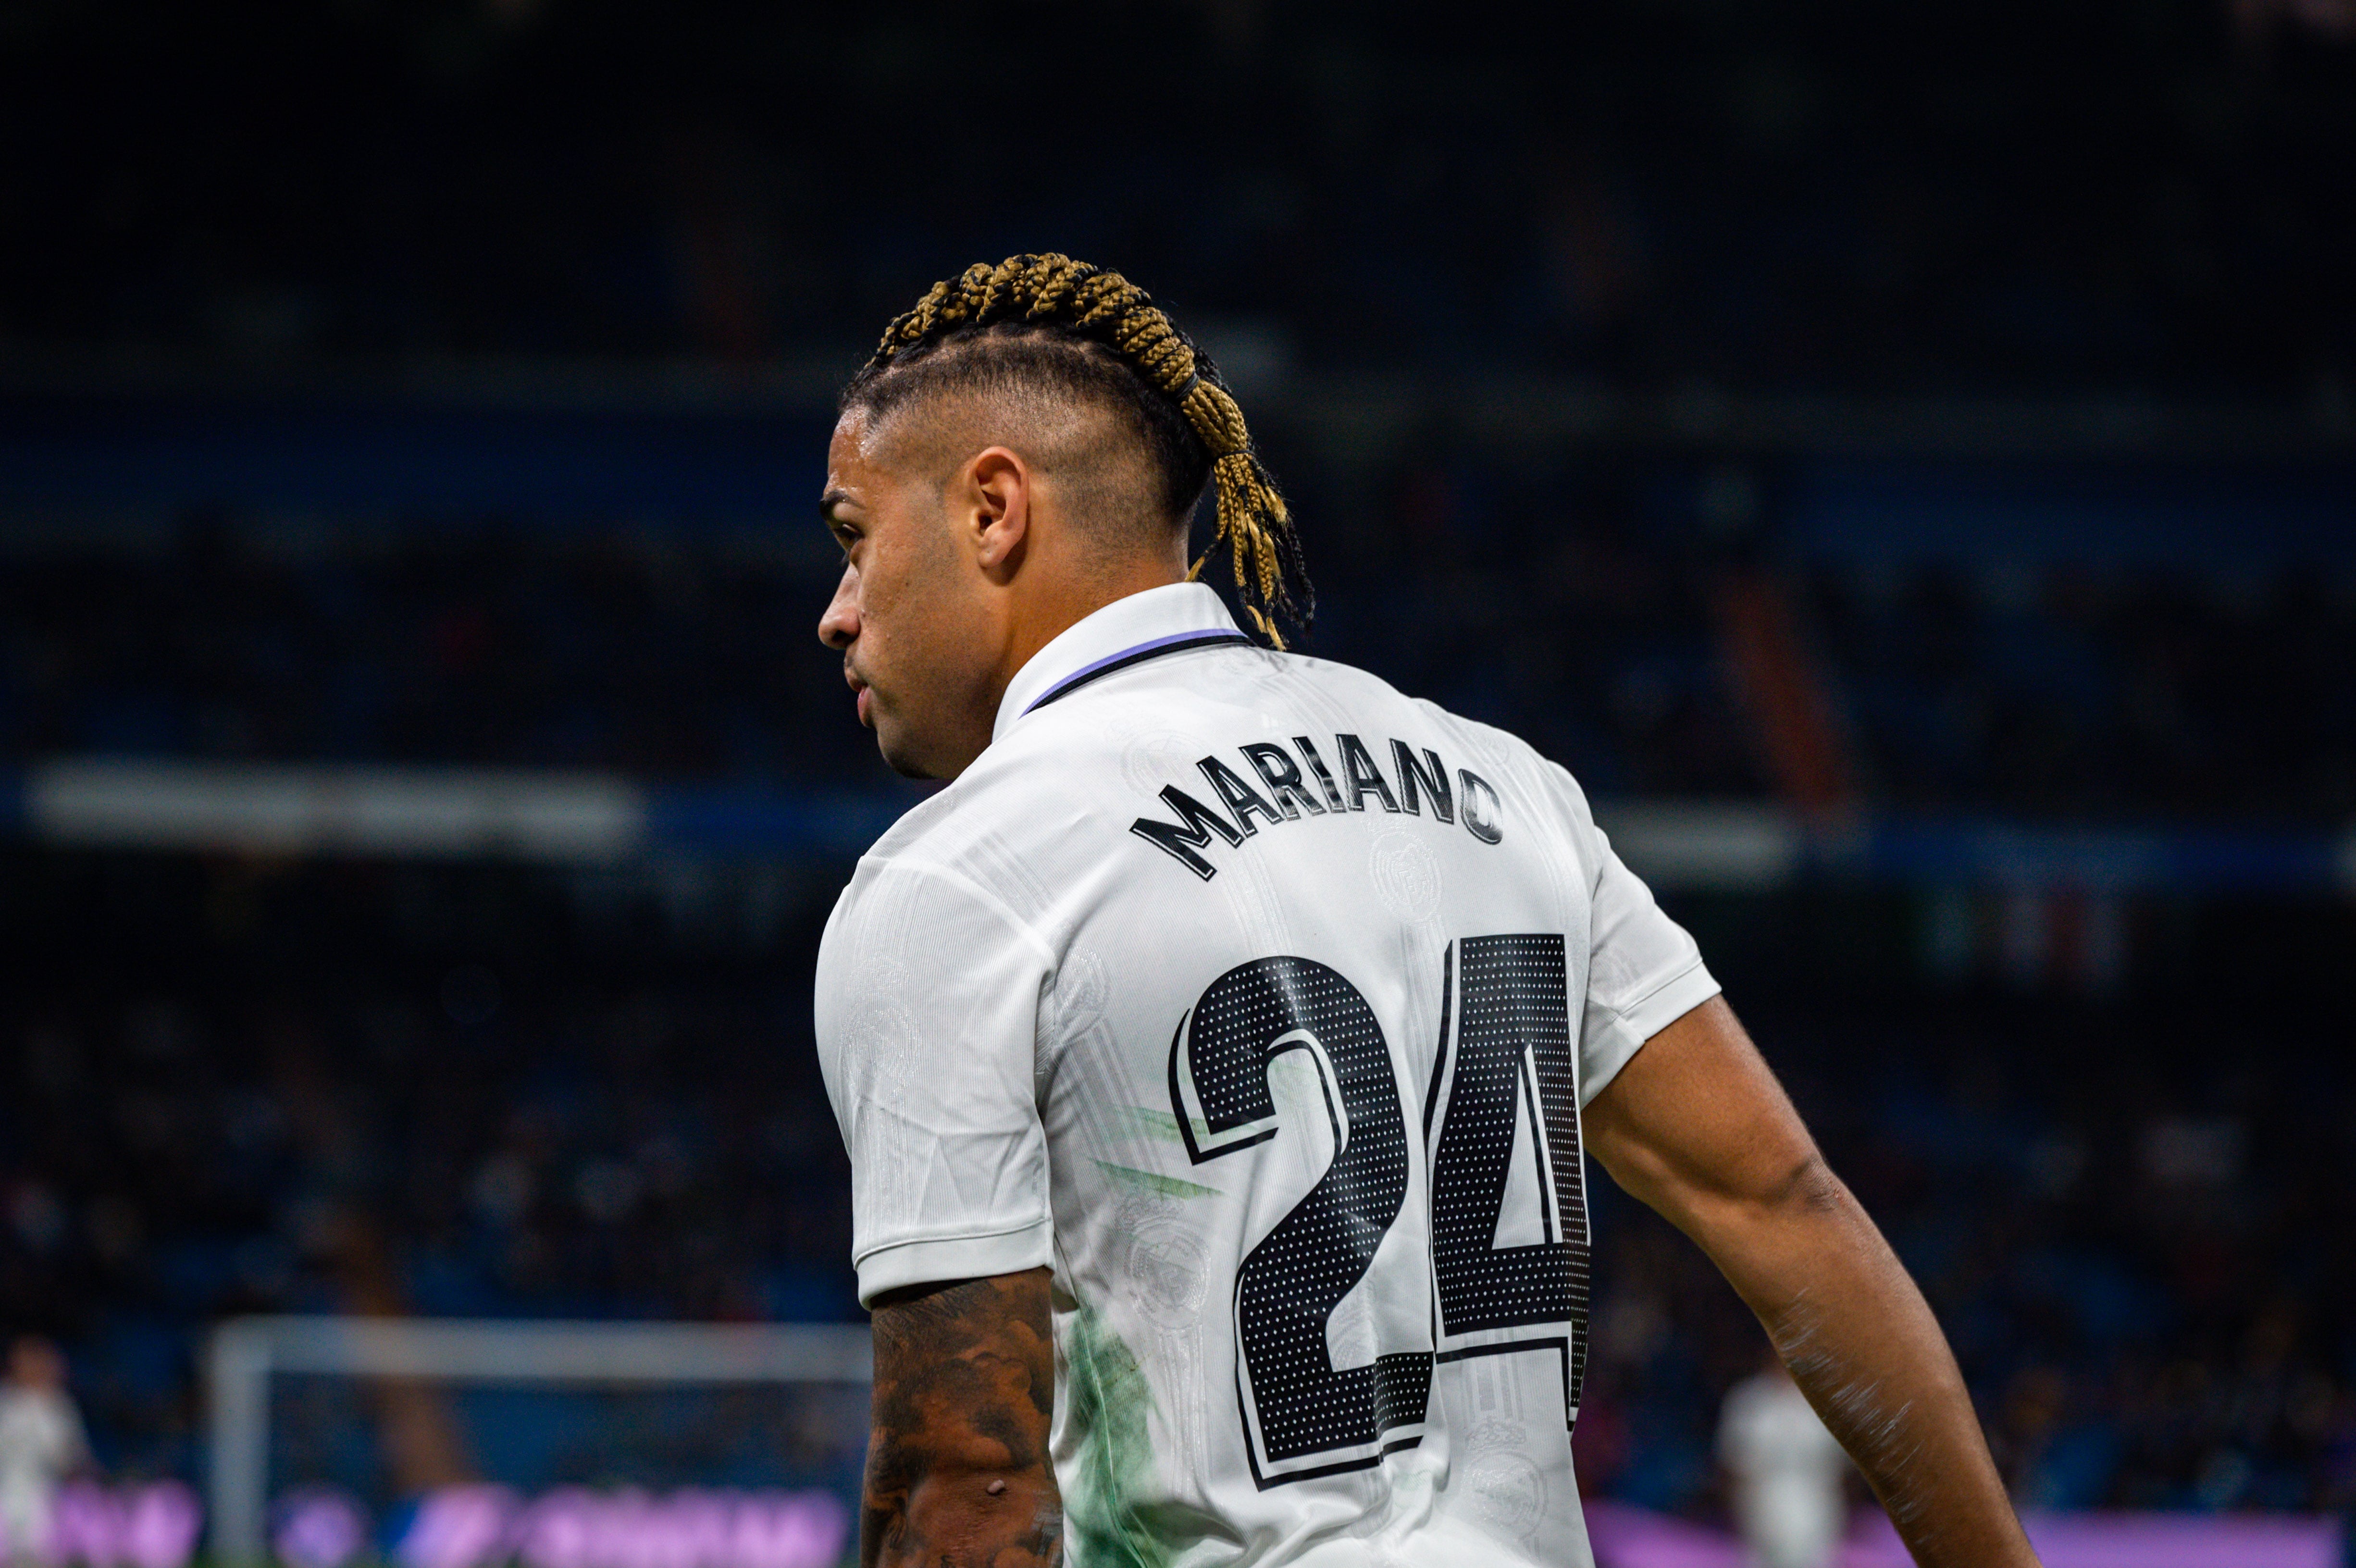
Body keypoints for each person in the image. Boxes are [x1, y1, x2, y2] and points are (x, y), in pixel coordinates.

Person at [812, 254, 2039, 1568]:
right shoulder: (1503, 785)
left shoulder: (955, 875)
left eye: (851, 535)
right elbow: (1783, 1202)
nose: (835, 613)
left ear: (993, 508)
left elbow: (966, 1477)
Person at [1721, 1357, 1848, 1568]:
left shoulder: (1823, 1399)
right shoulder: (1749, 1399)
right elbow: (1734, 1462)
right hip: (1761, 1502)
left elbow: (1839, 1462)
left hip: (1816, 1502)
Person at [0, 1336, 88, 1566]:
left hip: (46, 1496)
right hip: (7, 1493)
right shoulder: (7, 1402)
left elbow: (73, 1456)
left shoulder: (59, 1407)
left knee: (42, 1556)